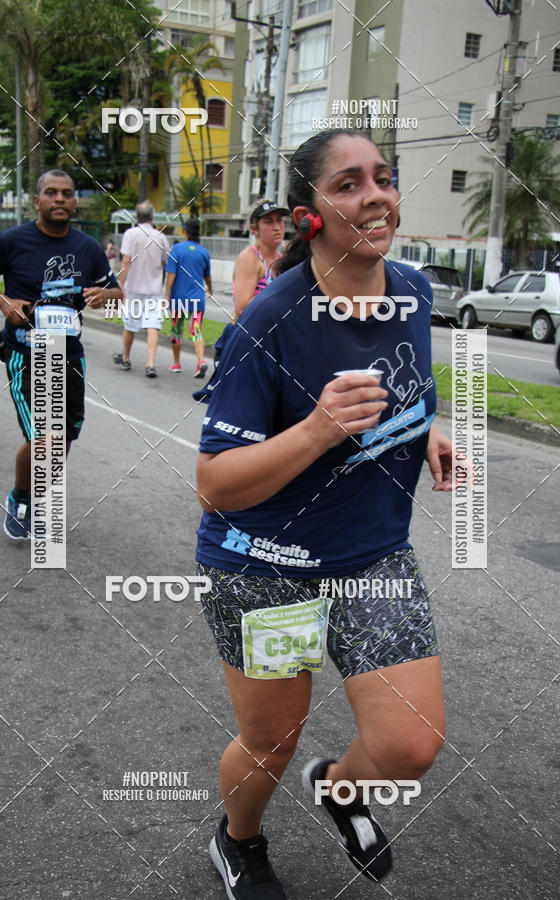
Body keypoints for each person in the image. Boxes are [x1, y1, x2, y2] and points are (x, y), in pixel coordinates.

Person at [194, 130, 454, 898]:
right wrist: (314, 431)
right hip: (264, 566)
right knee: (271, 741)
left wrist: (425, 431)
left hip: (373, 556)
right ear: (308, 216)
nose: (374, 195)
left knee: (410, 745)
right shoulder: (268, 323)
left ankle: (342, 790)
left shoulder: (413, 288)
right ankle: (238, 840)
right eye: (347, 185)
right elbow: (213, 482)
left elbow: (400, 386)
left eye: (383, 178)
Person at [0, 169, 121, 540]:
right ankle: (21, 498)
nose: (60, 199)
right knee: (44, 440)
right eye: (51, 193)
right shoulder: (13, 240)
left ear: (73, 201)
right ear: (37, 201)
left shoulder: (88, 247)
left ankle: (38, 495)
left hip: (70, 355)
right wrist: (4, 304)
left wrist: (105, 296)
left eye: (66, 193)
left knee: (63, 439)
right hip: (28, 352)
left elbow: (117, 292)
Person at [192, 201, 286, 404]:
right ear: (254, 229)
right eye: (268, 221)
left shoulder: (282, 259)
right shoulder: (251, 258)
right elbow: (242, 307)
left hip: (269, 342)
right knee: (235, 407)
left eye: (280, 220)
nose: (277, 226)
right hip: (245, 342)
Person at [112, 200, 169, 378]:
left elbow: (125, 261)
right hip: (153, 289)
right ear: (152, 217)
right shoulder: (160, 237)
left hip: (134, 288)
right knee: (153, 326)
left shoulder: (130, 234)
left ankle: (127, 357)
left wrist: (121, 286)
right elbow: (163, 263)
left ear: (137, 217)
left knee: (130, 325)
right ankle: (150, 363)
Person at [165, 217, 212, 378]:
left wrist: (166, 295)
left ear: (185, 232)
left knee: (177, 330)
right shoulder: (204, 252)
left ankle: (176, 363)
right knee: (196, 329)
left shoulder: (177, 249)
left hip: (179, 299)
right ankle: (201, 361)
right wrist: (210, 290)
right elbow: (208, 276)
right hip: (198, 298)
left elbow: (171, 274)